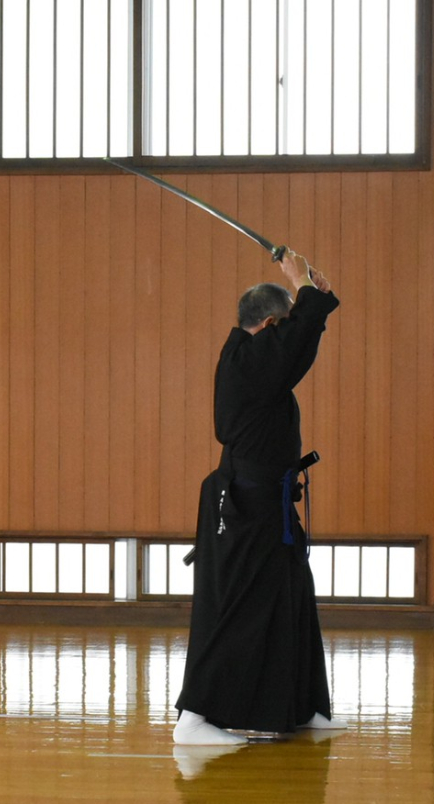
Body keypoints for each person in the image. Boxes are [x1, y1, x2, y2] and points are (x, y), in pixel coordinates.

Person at [174, 250, 348, 746]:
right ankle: (195, 718)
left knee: (291, 597)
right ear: (270, 323)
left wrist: (317, 297)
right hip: (243, 506)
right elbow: (296, 345)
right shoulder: (249, 360)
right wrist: (304, 286)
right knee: (237, 606)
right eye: (285, 322)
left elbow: (298, 346)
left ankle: (301, 706)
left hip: (268, 504)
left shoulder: (257, 361)